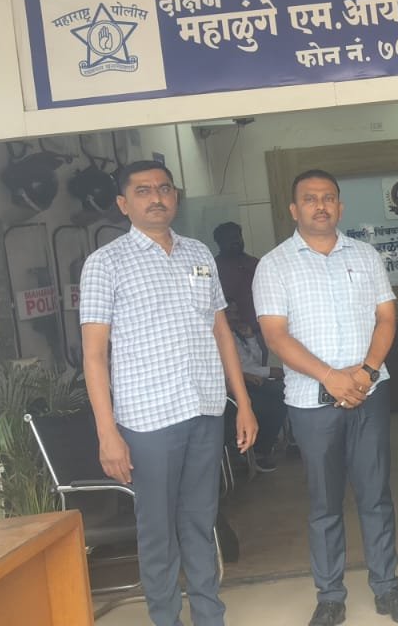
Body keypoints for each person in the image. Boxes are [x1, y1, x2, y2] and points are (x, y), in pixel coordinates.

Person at [79, 160, 258, 626]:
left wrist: (243, 403)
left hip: (204, 409)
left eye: (163, 188)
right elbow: (94, 356)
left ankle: (209, 616)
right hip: (148, 420)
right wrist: (107, 433)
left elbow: (221, 333)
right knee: (157, 530)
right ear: (123, 204)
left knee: (200, 522)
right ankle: (166, 618)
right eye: (143, 191)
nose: (156, 197)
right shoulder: (105, 264)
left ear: (175, 197)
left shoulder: (198, 253)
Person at [253, 170, 398, 626]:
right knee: (324, 503)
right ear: (294, 209)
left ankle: (388, 589)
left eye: (328, 198)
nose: (321, 206)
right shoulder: (274, 264)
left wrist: (366, 372)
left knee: (376, 496)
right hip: (312, 403)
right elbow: (275, 336)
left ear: (340, 207)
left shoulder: (365, 256)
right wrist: (330, 377)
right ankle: (330, 596)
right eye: (310, 199)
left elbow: (386, 318)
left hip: (369, 392)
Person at [228, 310, 288, 472]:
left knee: (283, 393)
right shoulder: (220, 338)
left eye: (235, 312)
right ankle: (258, 449)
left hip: (254, 378)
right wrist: (268, 372)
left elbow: (256, 361)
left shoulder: (237, 335)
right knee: (271, 402)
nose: (235, 316)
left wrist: (250, 337)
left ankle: (267, 443)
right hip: (236, 386)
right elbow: (236, 369)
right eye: (229, 313)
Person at [213, 221, 260, 324]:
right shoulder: (213, 268)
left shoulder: (255, 263)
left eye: (237, 237)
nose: (235, 241)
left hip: (259, 326)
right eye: (229, 238)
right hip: (231, 329)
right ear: (219, 242)